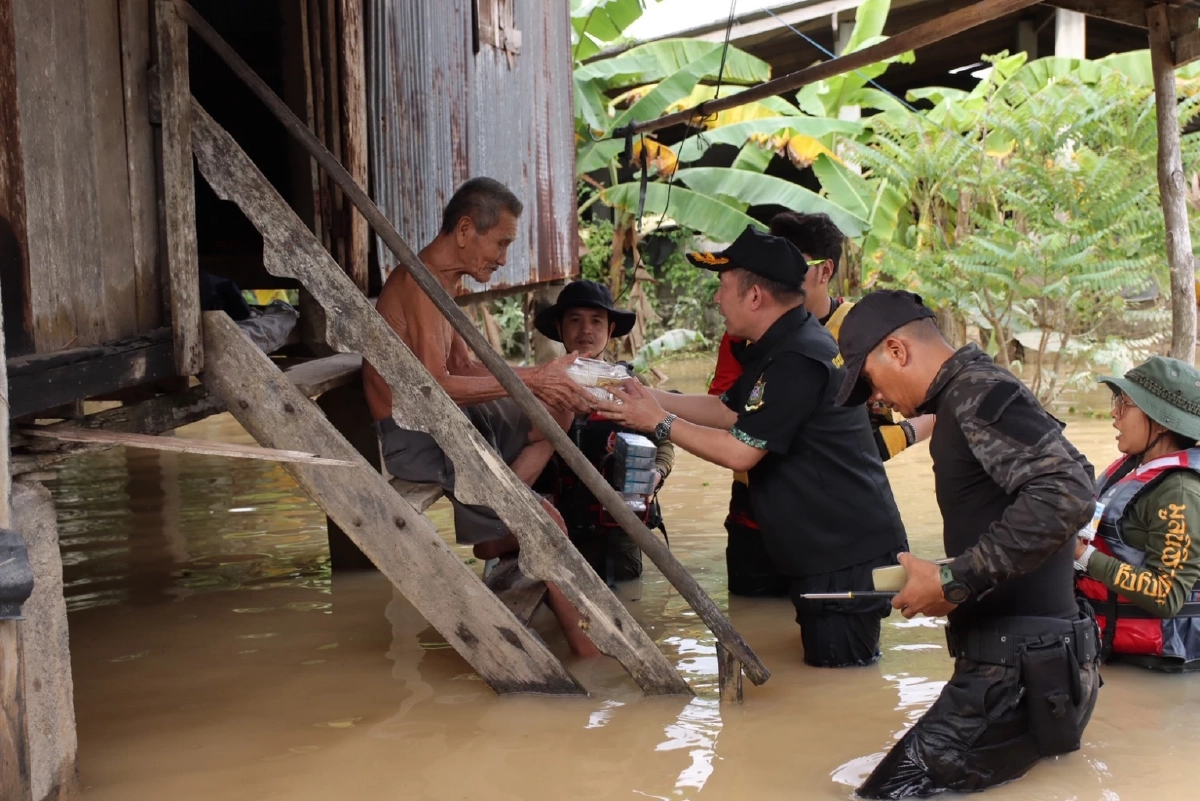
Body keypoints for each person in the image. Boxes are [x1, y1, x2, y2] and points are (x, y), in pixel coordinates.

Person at [598, 225, 908, 668]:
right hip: (826, 550)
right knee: (828, 680)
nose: (716, 299)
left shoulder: (800, 358)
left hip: (844, 557)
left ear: (755, 296)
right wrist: (638, 393)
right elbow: (727, 410)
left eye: (723, 288)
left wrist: (657, 421)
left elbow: (740, 451)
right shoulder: (780, 344)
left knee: (840, 679)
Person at [833, 289, 1100, 798]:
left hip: (1018, 672)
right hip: (1035, 667)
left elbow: (1067, 492)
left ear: (897, 350)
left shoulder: (975, 392)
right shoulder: (971, 395)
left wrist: (957, 579)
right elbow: (1074, 472)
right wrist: (952, 574)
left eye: (868, 380)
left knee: (882, 795)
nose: (875, 398)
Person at [363, 176, 598, 657]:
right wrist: (535, 379)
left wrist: (546, 378)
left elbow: (467, 366)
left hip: (447, 420)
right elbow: (434, 388)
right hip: (416, 435)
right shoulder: (420, 282)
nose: (503, 258)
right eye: (502, 243)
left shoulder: (443, 280)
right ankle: (585, 648)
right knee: (548, 525)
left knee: (557, 410)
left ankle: (499, 519)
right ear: (466, 229)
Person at [708, 213, 934, 599]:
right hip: (756, 510)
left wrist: (906, 433)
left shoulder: (860, 332)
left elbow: (879, 432)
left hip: (828, 518)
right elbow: (727, 412)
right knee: (755, 626)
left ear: (824, 270)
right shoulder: (743, 337)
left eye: (792, 263)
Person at [530, 280, 675, 586]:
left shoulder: (630, 385)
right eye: (575, 320)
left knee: (628, 604)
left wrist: (656, 474)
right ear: (560, 328)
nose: (586, 330)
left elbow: (664, 440)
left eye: (596, 321)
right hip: (556, 528)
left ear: (610, 331)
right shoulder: (539, 384)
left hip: (619, 534)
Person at [1076, 356, 1200, 672]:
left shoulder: (1179, 492)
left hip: (1164, 668)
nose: (1114, 414)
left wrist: (1081, 556)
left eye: (1126, 404)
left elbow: (1167, 595)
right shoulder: (1132, 466)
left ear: (1159, 421)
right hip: (1114, 651)